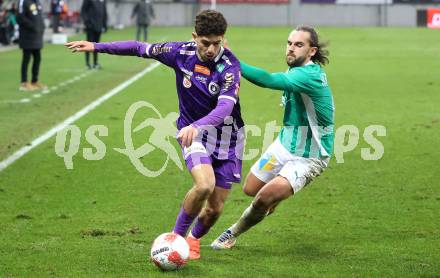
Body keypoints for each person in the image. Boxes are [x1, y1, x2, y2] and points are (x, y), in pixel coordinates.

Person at [65, 10, 244, 260]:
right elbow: (139, 48)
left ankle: (193, 239)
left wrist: (198, 125)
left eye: (217, 43)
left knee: (215, 209)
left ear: (223, 39)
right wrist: (96, 45)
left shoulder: (230, 67)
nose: (212, 49)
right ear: (195, 37)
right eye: (206, 43)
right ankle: (175, 239)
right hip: (193, 134)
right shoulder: (179, 53)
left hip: (228, 139)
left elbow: (225, 108)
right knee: (204, 185)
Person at [211, 26, 335, 250]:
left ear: (312, 51)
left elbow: (267, 80)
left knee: (261, 199)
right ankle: (275, 193)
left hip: (310, 157)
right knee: (250, 188)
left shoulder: (308, 75)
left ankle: (231, 234)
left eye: (299, 45)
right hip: (284, 145)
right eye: (289, 43)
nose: (291, 49)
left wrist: (231, 60)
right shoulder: (296, 70)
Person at [17, 0, 46, 91]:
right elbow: (20, 17)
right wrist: (32, 26)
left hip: (37, 36)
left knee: (37, 58)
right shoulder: (23, 1)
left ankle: (34, 81)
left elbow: (39, 17)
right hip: (27, 36)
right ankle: (24, 82)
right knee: (26, 58)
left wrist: (42, 27)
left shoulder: (37, 2)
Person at [81, 0, 107, 69]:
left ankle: (95, 63)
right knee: (88, 45)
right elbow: (83, 10)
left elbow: (104, 12)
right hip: (91, 27)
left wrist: (104, 25)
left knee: (97, 46)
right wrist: (87, 23)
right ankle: (87, 64)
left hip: (99, 26)